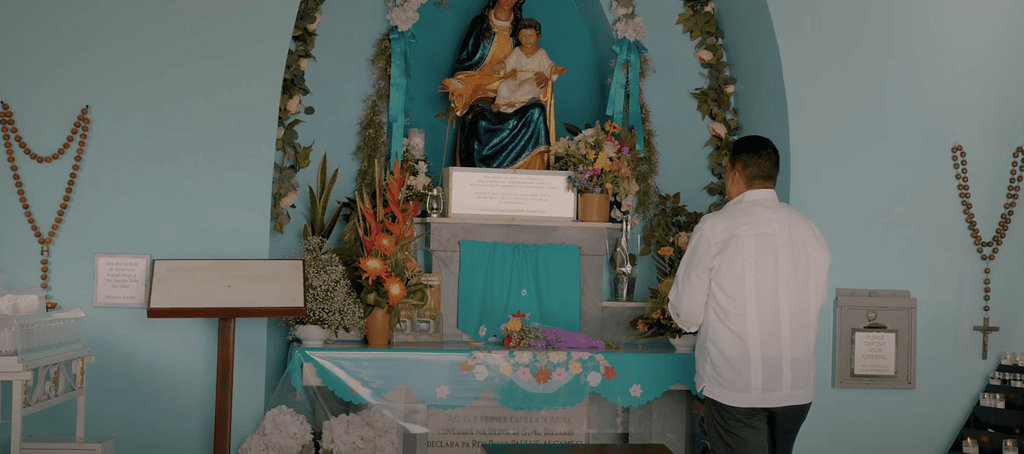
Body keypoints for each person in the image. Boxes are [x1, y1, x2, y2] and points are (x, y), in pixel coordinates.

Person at [667, 135, 831, 454]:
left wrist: (690, 325)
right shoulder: (807, 228)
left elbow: (686, 311)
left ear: (735, 173)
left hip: (737, 387)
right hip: (795, 390)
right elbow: (817, 299)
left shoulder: (716, 228)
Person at [441, 0, 557, 170]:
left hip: (516, 91)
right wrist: (459, 84)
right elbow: (466, 62)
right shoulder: (480, 25)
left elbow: (534, 60)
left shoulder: (521, 28)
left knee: (536, 111)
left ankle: (532, 173)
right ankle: (481, 177)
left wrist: (542, 76)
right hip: (482, 91)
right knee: (481, 120)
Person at [488, 18, 566, 113]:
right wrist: (501, 66)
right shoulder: (517, 51)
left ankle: (516, 105)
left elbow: (548, 65)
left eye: (531, 36)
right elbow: (508, 62)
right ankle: (501, 105)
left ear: (538, 36)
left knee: (527, 87)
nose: (528, 40)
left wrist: (555, 69)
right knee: (504, 86)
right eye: (524, 37)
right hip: (517, 79)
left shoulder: (541, 52)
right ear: (519, 37)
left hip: (534, 80)